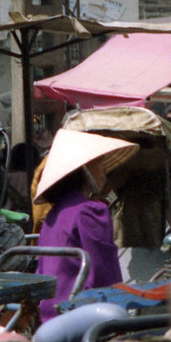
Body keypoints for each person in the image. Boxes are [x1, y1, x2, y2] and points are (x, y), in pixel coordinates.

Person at [34, 129, 139, 321]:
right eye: (99, 162)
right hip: (78, 318)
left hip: (48, 317)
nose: (104, 171)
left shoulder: (53, 214)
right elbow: (106, 277)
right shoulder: (91, 211)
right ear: (84, 169)